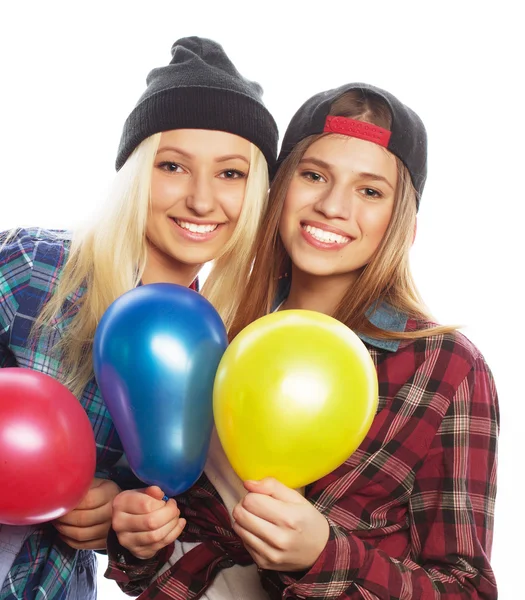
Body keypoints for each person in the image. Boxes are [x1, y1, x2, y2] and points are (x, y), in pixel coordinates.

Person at [106, 83, 498, 599]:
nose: (333, 207)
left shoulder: (444, 367)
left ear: (403, 224)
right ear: (278, 189)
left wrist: (326, 554)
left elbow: (466, 589)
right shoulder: (212, 337)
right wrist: (137, 536)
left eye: (370, 191)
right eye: (314, 176)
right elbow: (162, 547)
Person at [0, 35, 278, 600]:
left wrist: (120, 517)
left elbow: (153, 511)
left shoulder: (222, 353)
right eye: (173, 166)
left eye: (231, 174)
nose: (202, 200)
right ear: (134, 173)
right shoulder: (34, 266)